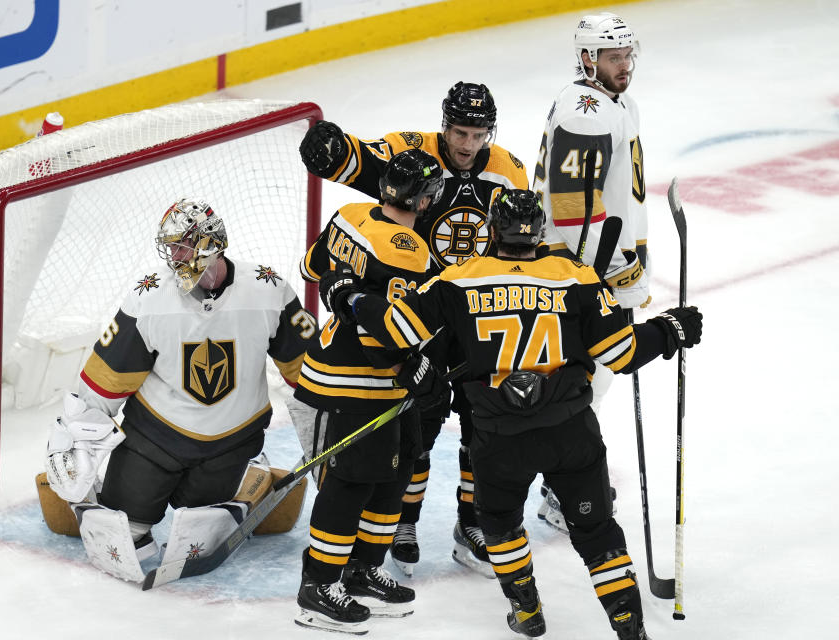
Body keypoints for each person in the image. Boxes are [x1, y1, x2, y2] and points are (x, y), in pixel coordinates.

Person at [319, 189, 703, 639]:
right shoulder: (575, 276)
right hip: (569, 431)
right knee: (596, 532)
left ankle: (526, 611)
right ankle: (631, 630)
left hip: (499, 438)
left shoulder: (457, 278)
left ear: (491, 230)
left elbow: (396, 330)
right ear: (538, 231)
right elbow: (620, 352)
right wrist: (669, 329)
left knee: (500, 526)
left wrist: (349, 297)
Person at [299, 81, 529, 577]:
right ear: (443, 125)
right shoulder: (413, 152)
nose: (468, 144)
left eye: (478, 133)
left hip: (478, 319)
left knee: (483, 433)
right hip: (418, 320)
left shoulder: (509, 171)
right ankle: (404, 522)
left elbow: (522, 238)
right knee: (412, 434)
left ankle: (472, 527)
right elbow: (363, 162)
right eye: (459, 131)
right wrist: (335, 151)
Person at [44, 197, 317, 579]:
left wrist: (331, 418)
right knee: (124, 537)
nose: (174, 256)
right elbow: (107, 377)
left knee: (200, 533)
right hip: (156, 439)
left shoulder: (268, 289)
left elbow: (310, 371)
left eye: (181, 245)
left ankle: (251, 468)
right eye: (170, 246)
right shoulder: (149, 297)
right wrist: (73, 437)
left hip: (231, 441)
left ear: (210, 242)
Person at [292, 149, 448, 635]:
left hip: (351, 371)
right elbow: (386, 333)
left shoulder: (350, 214)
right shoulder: (408, 251)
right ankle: (318, 587)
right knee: (353, 482)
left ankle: (362, 570)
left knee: (393, 475)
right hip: (362, 380)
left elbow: (311, 268)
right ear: (422, 199)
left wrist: (346, 289)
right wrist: (413, 366)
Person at [531, 12, 648, 532]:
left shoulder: (612, 103)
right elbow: (575, 209)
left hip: (599, 267)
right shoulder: (587, 113)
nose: (624, 65)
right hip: (585, 273)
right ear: (587, 59)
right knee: (583, 383)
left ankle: (561, 486)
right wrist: (609, 272)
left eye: (627, 55)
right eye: (612, 56)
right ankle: (561, 491)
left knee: (591, 382)